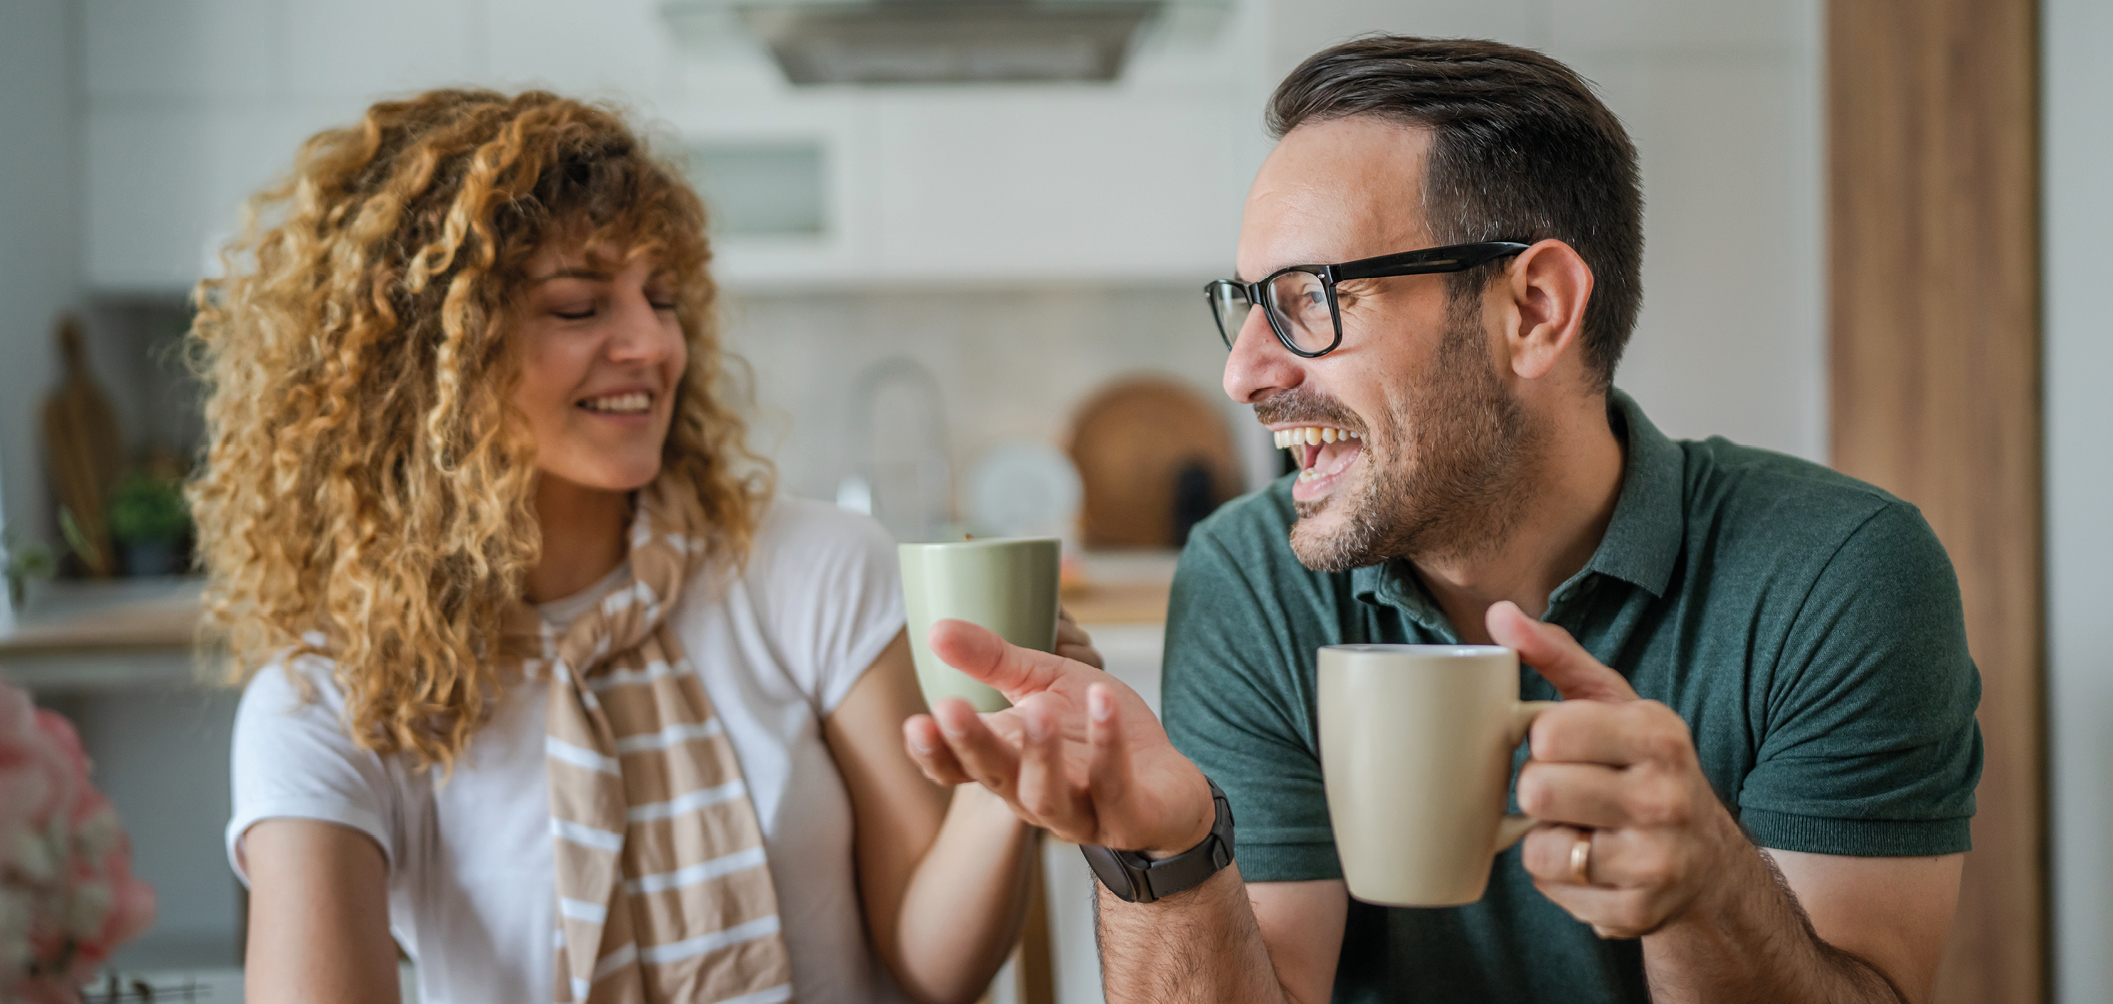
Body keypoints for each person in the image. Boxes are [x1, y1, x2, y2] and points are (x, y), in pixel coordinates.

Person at [902, 36, 1981, 1004]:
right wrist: (1167, 854)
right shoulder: (1252, 570)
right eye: (1247, 302)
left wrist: (1708, 894)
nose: (1241, 372)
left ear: (1533, 309)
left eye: (1312, 297)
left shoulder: (1837, 571)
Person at [194, 90, 1097, 1004]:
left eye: (660, 297)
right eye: (580, 308)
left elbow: (931, 966)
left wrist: (999, 784)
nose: (650, 343)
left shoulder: (811, 570)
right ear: (432, 358)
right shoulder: (328, 702)